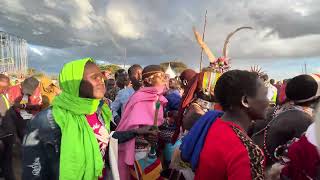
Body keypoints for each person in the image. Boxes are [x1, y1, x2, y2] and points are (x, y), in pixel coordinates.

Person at [21, 58, 157, 180]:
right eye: (94, 77)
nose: (101, 81)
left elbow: (106, 139)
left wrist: (137, 132)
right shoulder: (46, 122)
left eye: (101, 77)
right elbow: (33, 172)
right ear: (75, 84)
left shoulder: (99, 110)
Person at [195, 70, 269, 180]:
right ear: (245, 101)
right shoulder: (248, 152)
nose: (268, 101)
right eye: (264, 95)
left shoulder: (215, 123)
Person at [116, 65, 168, 180]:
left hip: (150, 150)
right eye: (161, 76)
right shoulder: (139, 98)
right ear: (149, 80)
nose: (165, 80)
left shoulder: (157, 98)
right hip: (138, 152)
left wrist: (155, 137)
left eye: (165, 76)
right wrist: (145, 135)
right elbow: (131, 127)